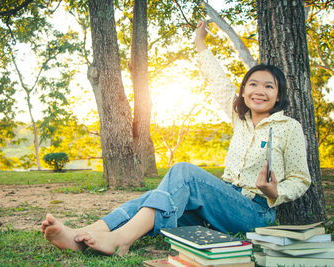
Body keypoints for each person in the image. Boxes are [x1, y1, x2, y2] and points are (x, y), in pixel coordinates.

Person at [40, 21, 311, 256]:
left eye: (268, 86)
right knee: (153, 197)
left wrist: (276, 192)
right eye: (253, 84)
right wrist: (199, 43)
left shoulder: (289, 127)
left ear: (279, 95)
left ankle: (121, 239)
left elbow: (300, 179)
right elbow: (217, 80)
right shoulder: (239, 118)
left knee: (184, 173)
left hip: (255, 212)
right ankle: (82, 236)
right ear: (243, 91)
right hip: (220, 203)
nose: (259, 90)